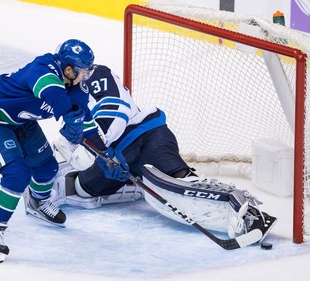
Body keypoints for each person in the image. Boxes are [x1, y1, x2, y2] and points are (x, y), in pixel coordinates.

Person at [50, 60, 277, 244]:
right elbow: (74, 141)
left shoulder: (95, 75)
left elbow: (115, 110)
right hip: (115, 158)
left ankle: (248, 214)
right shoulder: (62, 95)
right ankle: (131, 183)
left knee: (180, 187)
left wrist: (103, 151)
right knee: (81, 190)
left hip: (144, 136)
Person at [0, 39, 94, 263]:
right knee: (17, 175)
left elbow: (85, 119)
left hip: (21, 122)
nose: (86, 76)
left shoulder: (77, 87)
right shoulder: (43, 68)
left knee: (47, 168)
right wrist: (69, 115)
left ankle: (38, 202)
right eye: (84, 71)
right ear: (69, 69)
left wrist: (107, 153)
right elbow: (51, 91)